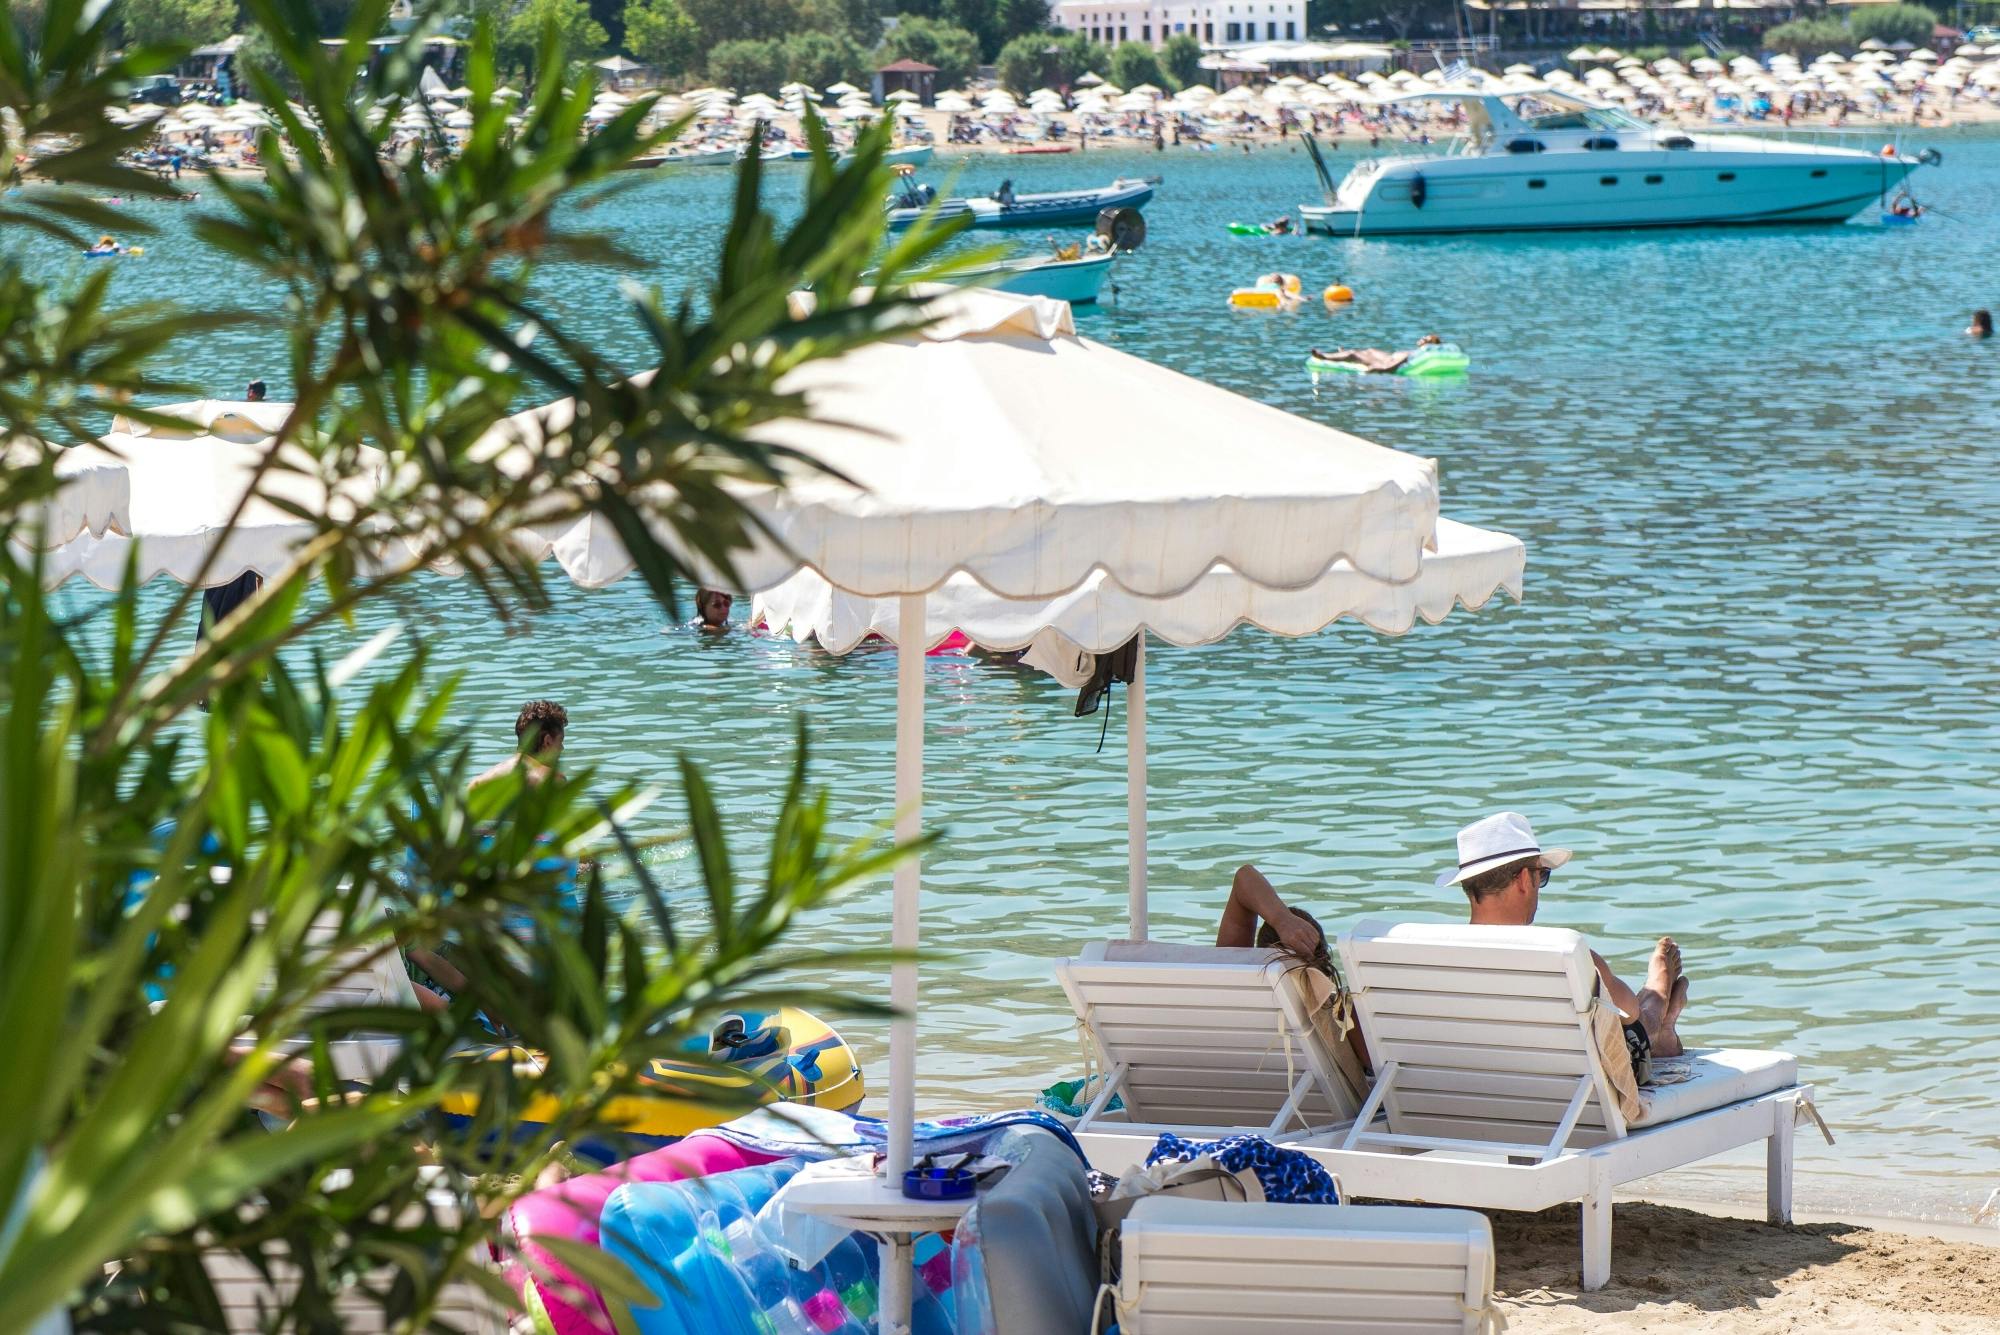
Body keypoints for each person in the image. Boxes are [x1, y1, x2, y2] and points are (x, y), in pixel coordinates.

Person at [1437, 812, 1688, 1062]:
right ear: (1525, 879)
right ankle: (1657, 1000)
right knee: (1636, 1022)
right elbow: (1629, 1013)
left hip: (1465, 1079)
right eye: (1542, 875)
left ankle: (1658, 1020)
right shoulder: (1565, 953)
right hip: (1567, 1084)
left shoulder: (1432, 956)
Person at [1217, 865, 1372, 1094]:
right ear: (1323, 956)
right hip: (1326, 1121)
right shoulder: (1344, 1017)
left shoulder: (1229, 988)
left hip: (1238, 1104)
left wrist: (1281, 919)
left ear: (1261, 954)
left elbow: (1244, 878)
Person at [472, 699, 568, 790]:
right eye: (560, 741)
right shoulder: (552, 780)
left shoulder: (479, 782)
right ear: (547, 741)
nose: (561, 748)